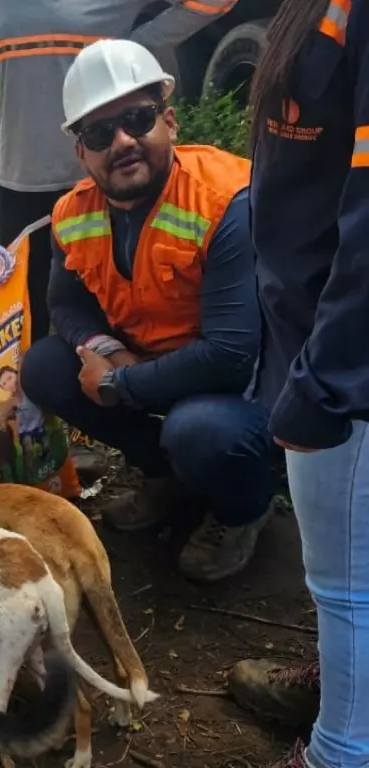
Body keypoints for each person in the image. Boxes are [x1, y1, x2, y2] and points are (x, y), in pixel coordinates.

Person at [19, 39, 275, 584]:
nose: (123, 142)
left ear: (171, 122)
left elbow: (232, 354)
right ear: (81, 153)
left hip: (238, 386)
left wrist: (122, 383)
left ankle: (243, 510)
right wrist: (104, 351)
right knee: (44, 367)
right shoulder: (72, 213)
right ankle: (166, 477)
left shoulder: (227, 200)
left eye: (137, 119)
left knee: (201, 432)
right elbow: (65, 304)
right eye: (99, 133)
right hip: (144, 363)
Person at [225, 0, 369, 764]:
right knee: (352, 567)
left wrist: (325, 381)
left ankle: (340, 749)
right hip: (321, 341)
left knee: (346, 580)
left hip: (346, 363)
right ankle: (342, 688)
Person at [0, 0, 239, 345]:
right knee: (23, 310)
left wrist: (142, 43)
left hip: (107, 174)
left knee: (117, 307)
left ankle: (135, 381)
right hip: (19, 172)